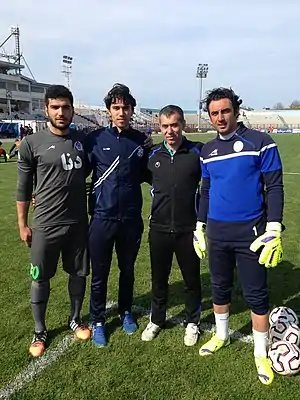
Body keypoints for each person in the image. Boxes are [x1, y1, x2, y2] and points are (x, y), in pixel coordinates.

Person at [195, 87, 284, 385]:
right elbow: (205, 190)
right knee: (219, 287)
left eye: (225, 111)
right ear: (209, 116)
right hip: (218, 232)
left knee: (256, 293)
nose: (220, 117)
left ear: (236, 110)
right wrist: (200, 225)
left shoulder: (261, 142)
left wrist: (274, 227)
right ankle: (221, 335)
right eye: (214, 113)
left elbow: (274, 187)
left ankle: (261, 352)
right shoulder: (207, 151)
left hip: (252, 232)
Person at [16, 85, 91, 358]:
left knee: (78, 273)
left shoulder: (83, 141)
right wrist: (23, 225)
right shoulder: (31, 144)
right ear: (46, 108)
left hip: (77, 224)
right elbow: (23, 189)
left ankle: (75, 318)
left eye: (66, 107)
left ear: (72, 110)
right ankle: (39, 331)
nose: (61, 112)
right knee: (40, 279)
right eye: (55, 107)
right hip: (45, 225)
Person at [86, 84, 152, 347]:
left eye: (125, 107)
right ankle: (98, 319)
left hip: (131, 219)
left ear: (132, 110)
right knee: (99, 273)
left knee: (127, 270)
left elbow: (152, 174)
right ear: (108, 111)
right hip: (102, 218)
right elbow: (76, 174)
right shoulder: (95, 139)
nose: (121, 112)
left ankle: (126, 311)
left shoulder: (141, 141)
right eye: (116, 107)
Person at [141, 105, 203, 346]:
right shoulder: (153, 156)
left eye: (174, 125)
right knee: (159, 279)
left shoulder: (197, 152)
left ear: (183, 125)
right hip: (159, 229)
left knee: (191, 280)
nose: (170, 131)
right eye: (165, 126)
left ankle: (192, 322)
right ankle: (156, 319)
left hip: (189, 230)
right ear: (159, 127)